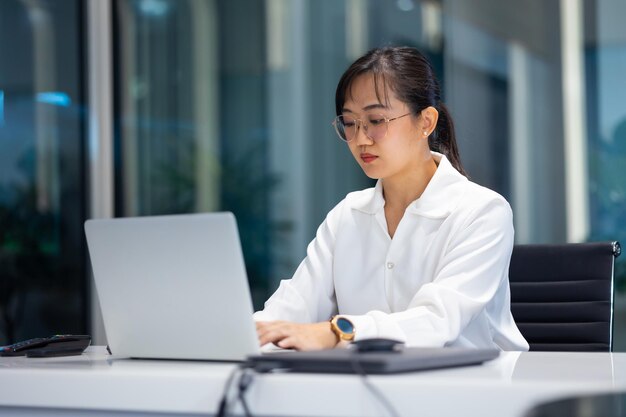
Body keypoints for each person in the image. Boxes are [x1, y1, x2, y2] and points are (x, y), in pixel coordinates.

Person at [254, 46, 529, 352]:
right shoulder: (348, 214)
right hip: (372, 387)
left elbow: (438, 321)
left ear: (425, 122)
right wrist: (247, 334)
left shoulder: (482, 212)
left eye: (376, 120)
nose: (361, 139)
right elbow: (293, 306)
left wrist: (339, 332)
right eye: (349, 122)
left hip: (476, 389)